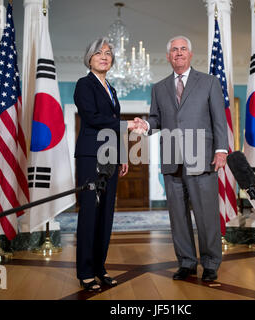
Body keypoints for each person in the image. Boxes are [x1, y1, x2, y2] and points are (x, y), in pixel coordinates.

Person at [133, 36, 228, 282]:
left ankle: (210, 263)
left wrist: (222, 150)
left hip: (203, 158)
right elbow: (156, 119)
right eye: (173, 49)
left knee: (206, 215)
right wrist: (145, 124)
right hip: (172, 160)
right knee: (178, 216)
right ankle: (186, 262)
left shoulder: (209, 82)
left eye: (182, 49)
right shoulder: (159, 87)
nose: (178, 53)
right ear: (168, 56)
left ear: (190, 54)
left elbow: (219, 119)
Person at [73, 37, 134, 291]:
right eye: (99, 52)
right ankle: (85, 272)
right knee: (90, 214)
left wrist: (122, 156)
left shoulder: (112, 88)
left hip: (110, 157)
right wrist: (126, 125)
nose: (104, 56)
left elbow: (113, 124)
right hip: (90, 157)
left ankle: (100, 267)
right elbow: (93, 118)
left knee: (106, 215)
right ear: (89, 58)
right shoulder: (84, 85)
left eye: (108, 53)